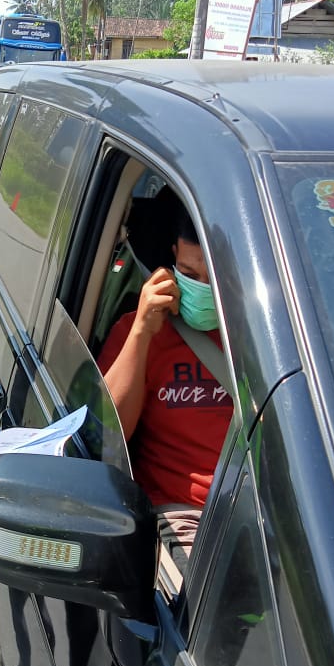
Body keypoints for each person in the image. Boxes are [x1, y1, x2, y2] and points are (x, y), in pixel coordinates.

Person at [97, 189, 232, 572]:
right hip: (183, 517)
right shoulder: (141, 330)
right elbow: (110, 434)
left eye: (214, 278)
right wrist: (141, 331)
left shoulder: (266, 332)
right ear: (172, 254)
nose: (203, 288)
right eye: (190, 275)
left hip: (267, 515)